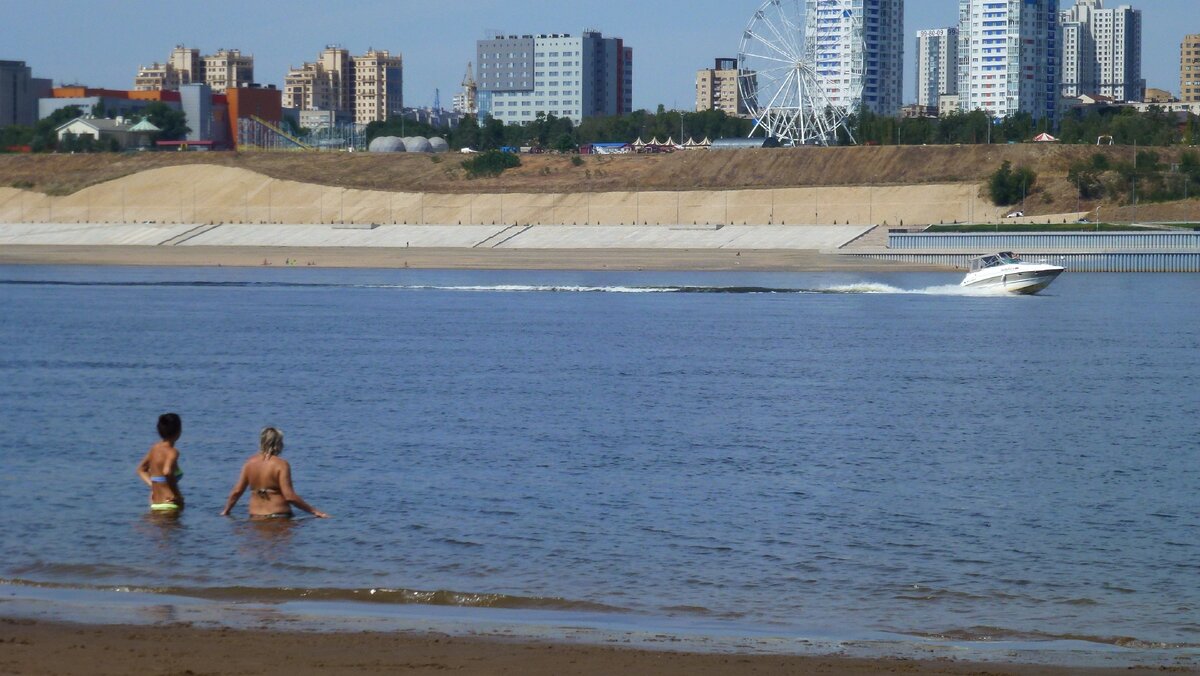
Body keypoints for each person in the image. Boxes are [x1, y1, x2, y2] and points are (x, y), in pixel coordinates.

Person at [220, 427, 329, 519]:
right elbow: (289, 496)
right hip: (279, 516)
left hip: (255, 517)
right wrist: (315, 511)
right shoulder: (281, 464)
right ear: (278, 443)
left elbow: (237, 491)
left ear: (262, 442)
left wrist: (226, 510)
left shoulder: (249, 463)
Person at [136, 413, 185, 512]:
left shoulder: (154, 449)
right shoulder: (172, 452)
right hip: (170, 504)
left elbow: (141, 469)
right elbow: (167, 471)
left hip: (155, 504)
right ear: (179, 431)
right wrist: (177, 495)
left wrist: (153, 486)